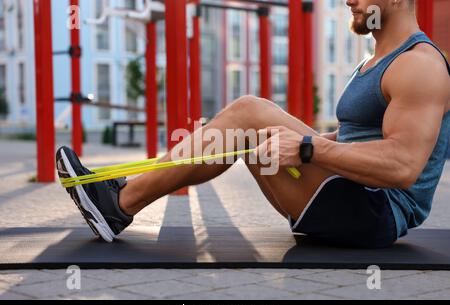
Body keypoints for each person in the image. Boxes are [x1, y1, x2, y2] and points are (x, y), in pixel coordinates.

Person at [57, 0, 450, 248]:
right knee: (248, 127)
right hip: (348, 195)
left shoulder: (419, 64)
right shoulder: (374, 61)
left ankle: (120, 203)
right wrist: (313, 141)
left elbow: (402, 166)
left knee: (249, 113)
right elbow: (355, 138)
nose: (349, 1)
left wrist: (309, 147)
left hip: (376, 212)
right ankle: (120, 192)